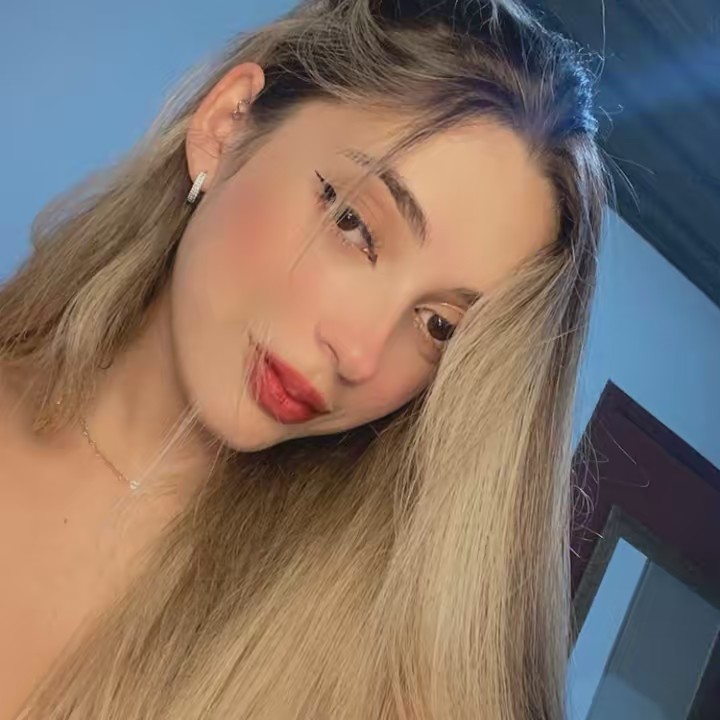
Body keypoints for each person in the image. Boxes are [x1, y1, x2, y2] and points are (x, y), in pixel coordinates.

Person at [0, 0, 608, 717]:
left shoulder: (381, 675)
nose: (359, 352)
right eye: (353, 223)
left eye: (440, 326)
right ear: (227, 127)